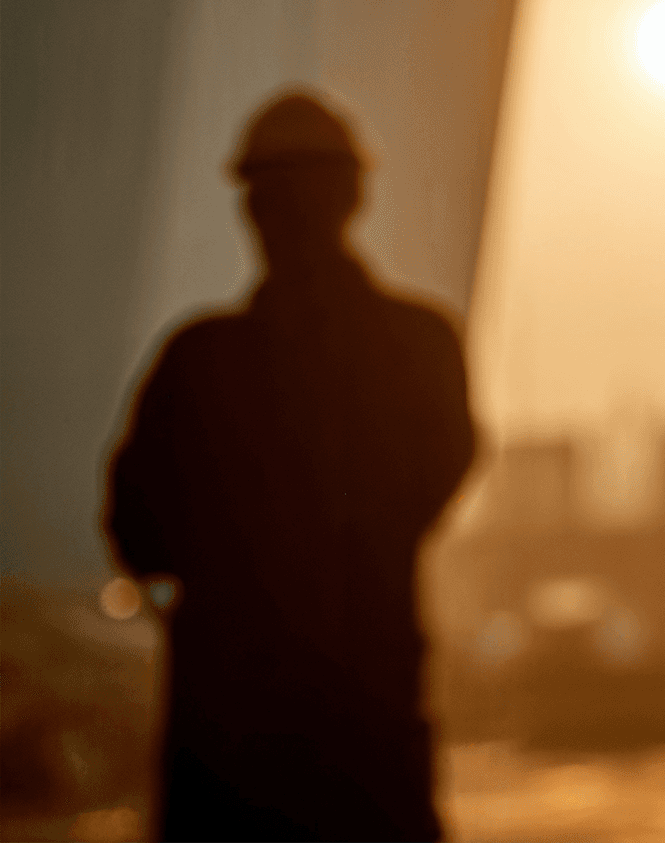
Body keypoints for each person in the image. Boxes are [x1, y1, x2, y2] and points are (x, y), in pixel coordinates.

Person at [105, 91, 474, 841]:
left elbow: (135, 527)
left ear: (253, 209)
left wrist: (224, 584)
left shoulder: (199, 363)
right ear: (355, 197)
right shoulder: (420, 347)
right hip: (368, 737)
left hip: (228, 751)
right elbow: (436, 480)